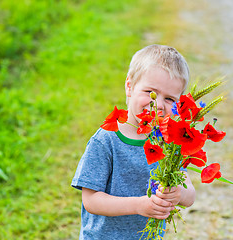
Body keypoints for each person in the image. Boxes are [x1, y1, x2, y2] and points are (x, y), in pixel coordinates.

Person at [71, 44, 196, 239]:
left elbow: (189, 196)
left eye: (170, 98)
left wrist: (178, 192)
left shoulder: (170, 142)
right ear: (129, 86)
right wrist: (139, 206)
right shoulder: (106, 140)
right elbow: (91, 201)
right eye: (150, 92)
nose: (158, 104)